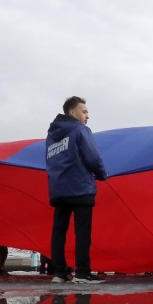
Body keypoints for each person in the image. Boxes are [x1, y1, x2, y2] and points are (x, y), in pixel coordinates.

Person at [46, 96, 108, 284]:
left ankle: (58, 272)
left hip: (58, 189)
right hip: (80, 187)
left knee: (59, 231)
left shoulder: (51, 136)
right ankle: (82, 272)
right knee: (82, 232)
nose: (87, 116)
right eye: (84, 111)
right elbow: (92, 157)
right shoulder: (80, 130)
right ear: (73, 112)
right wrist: (102, 174)